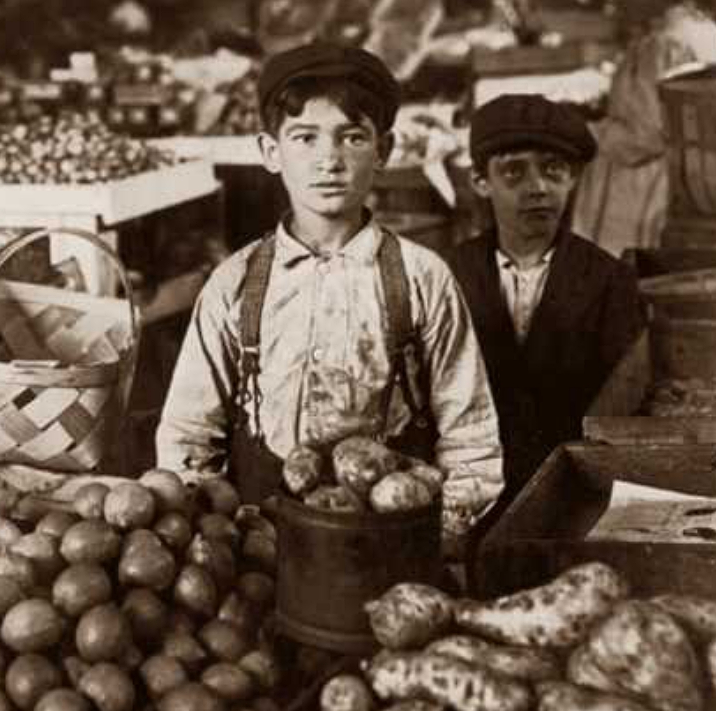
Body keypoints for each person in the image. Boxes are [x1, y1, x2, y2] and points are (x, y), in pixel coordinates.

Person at [155, 43, 503, 549]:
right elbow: (187, 437)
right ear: (270, 152)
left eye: (352, 137)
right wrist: (209, 541)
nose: (329, 160)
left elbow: (471, 437)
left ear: (383, 150)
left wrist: (443, 538)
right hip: (261, 548)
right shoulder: (235, 282)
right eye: (304, 138)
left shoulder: (422, 278)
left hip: (388, 544)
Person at [450, 95, 644, 502]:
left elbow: (623, 412)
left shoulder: (610, 282)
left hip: (576, 495)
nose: (537, 187)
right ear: (480, 182)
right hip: (470, 492)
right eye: (514, 172)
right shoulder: (446, 277)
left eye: (553, 170)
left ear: (573, 179)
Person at [571, 0, 716, 255]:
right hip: (681, 189)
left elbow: (642, 138)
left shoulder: (665, 44)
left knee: (623, 282)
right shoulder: (701, 29)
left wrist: (579, 128)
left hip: (641, 197)